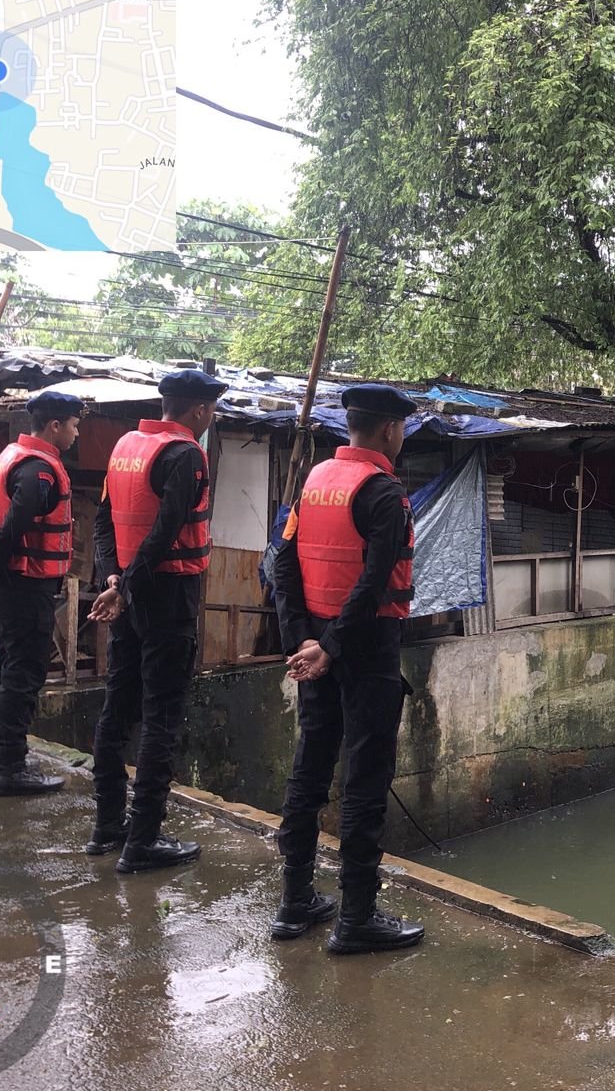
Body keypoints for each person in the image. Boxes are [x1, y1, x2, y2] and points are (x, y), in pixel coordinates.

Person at [269, 383, 423, 952]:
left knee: (309, 768)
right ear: (388, 429)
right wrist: (329, 646)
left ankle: (294, 903)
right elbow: (376, 580)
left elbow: (281, 566)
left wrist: (303, 643)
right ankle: (356, 917)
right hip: (365, 649)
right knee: (364, 779)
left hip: (316, 648)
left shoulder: (315, 484)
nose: (402, 438)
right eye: (402, 429)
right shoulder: (384, 492)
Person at [85, 370, 225, 873]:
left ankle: (108, 826)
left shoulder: (127, 445)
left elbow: (101, 522)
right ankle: (142, 840)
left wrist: (114, 582)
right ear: (200, 411)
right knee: (161, 716)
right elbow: (166, 534)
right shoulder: (187, 454)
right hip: (165, 596)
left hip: (128, 593)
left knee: (118, 706)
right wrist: (126, 586)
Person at [0, 390, 83, 796]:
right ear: (54, 425)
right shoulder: (39, 470)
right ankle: (11, 769)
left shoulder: (10, 457)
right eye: (73, 424)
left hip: (10, 584)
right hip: (25, 582)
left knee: (4, 667)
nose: (76, 432)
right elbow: (14, 523)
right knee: (22, 673)